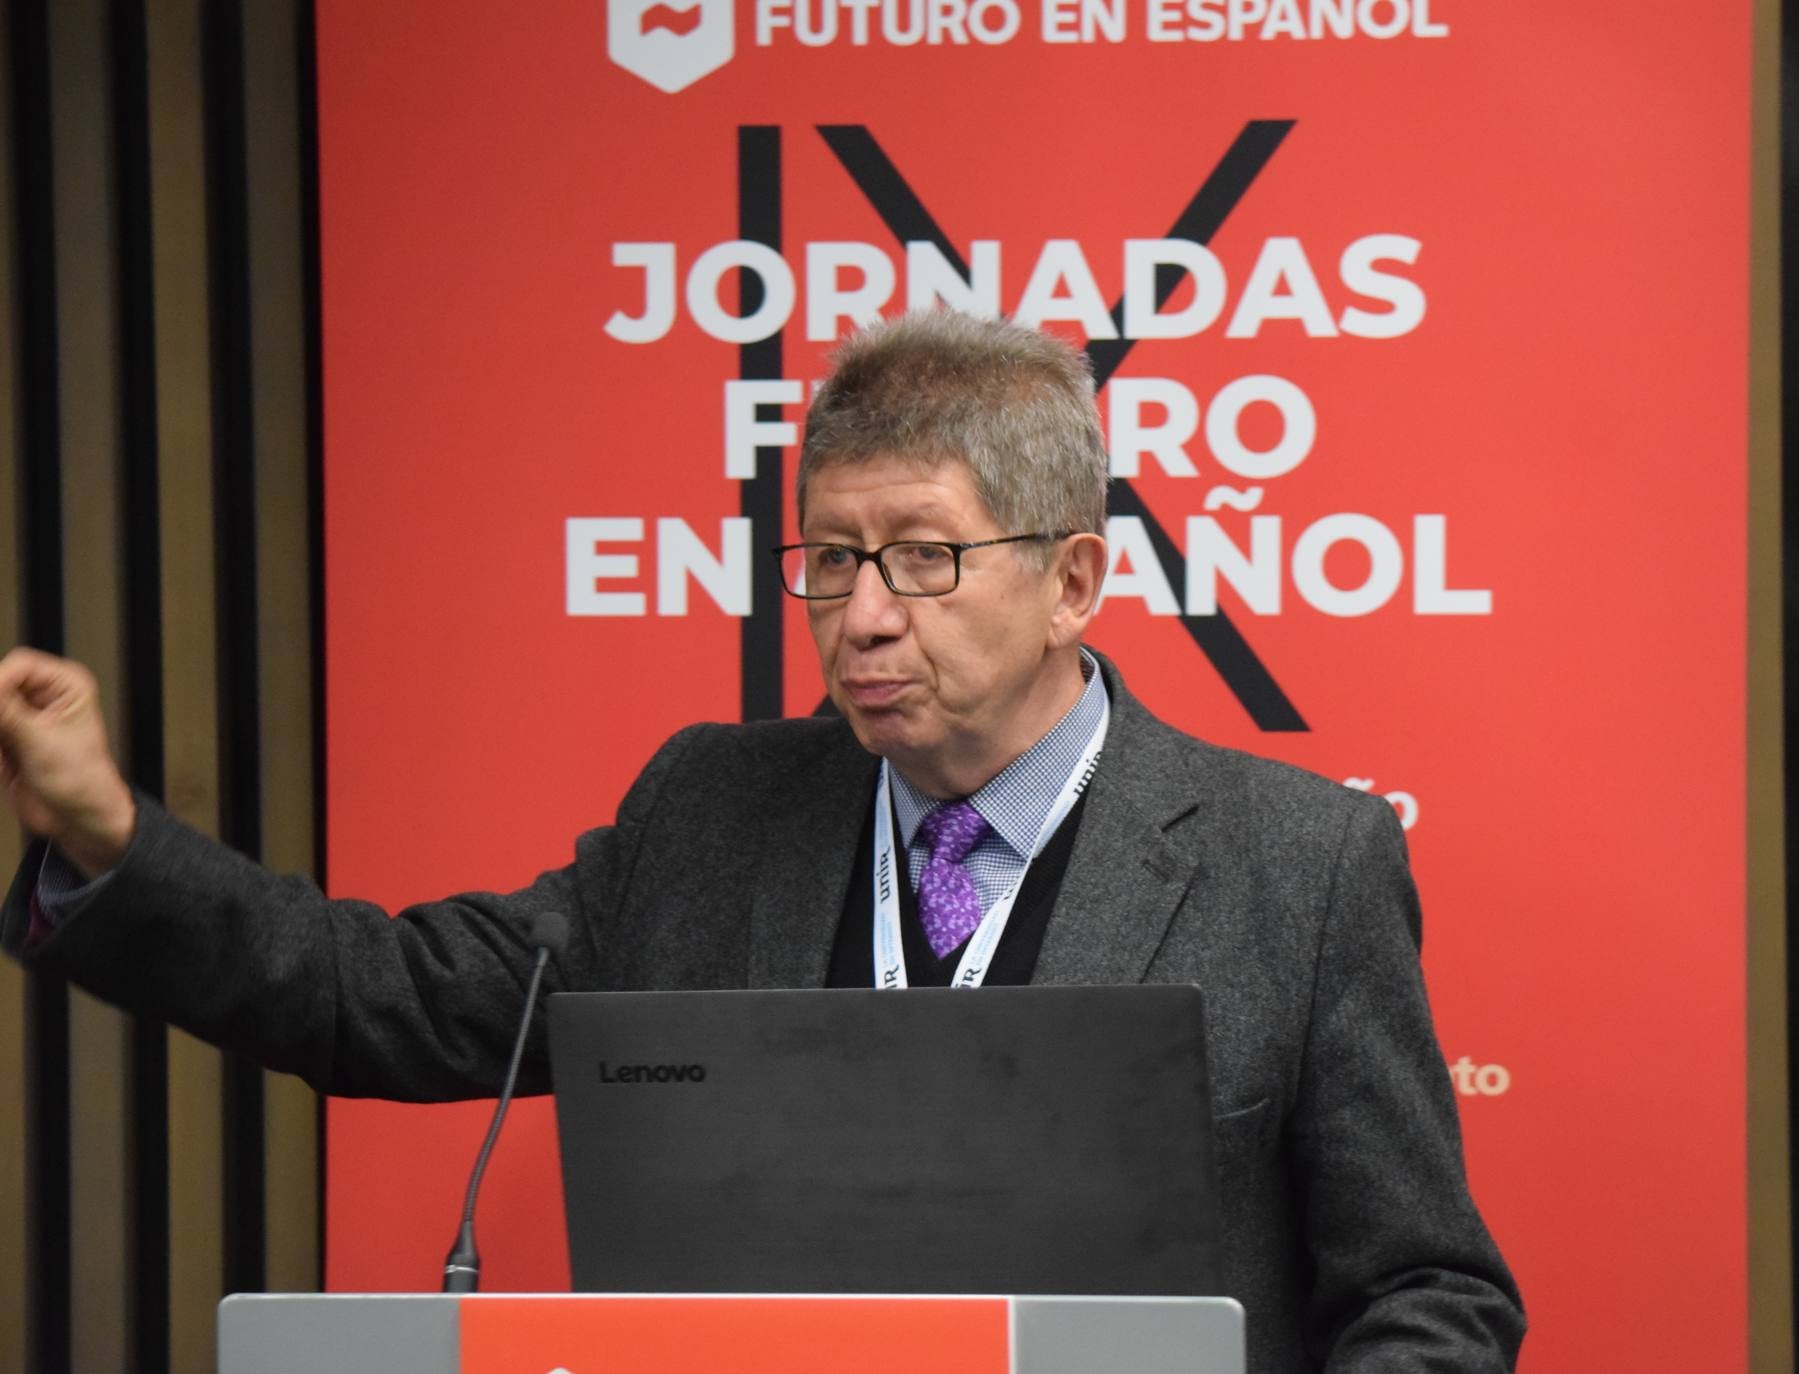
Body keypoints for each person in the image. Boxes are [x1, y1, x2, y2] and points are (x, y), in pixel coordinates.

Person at [0, 311, 1523, 1371]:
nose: (861, 612)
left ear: (1071, 580)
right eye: (829, 557)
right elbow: (377, 994)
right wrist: (109, 833)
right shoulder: (711, 810)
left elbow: (1425, 1288)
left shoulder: (1293, 859)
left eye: (925, 555)